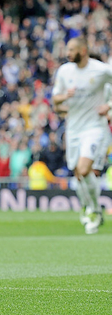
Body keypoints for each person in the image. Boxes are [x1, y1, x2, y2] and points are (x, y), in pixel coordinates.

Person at [52, 37, 112, 234]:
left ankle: (94, 210)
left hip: (95, 128)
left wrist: (109, 106)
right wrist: (65, 97)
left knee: (85, 169)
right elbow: (55, 102)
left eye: (71, 49)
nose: (67, 53)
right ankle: (89, 208)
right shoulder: (64, 71)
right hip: (73, 130)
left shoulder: (101, 70)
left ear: (83, 50)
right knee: (78, 175)